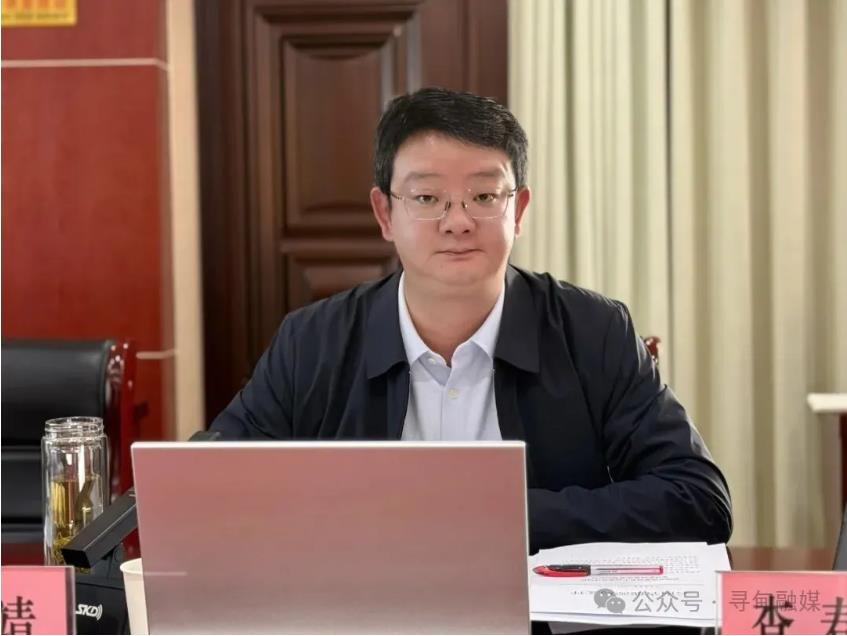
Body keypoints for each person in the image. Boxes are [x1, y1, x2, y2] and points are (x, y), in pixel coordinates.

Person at [210, 87, 732, 553]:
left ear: (518, 210)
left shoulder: (593, 331)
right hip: (363, 609)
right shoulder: (312, 341)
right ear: (385, 214)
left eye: (484, 197)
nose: (457, 222)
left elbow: (697, 498)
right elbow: (212, 485)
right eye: (427, 198)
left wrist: (502, 517)